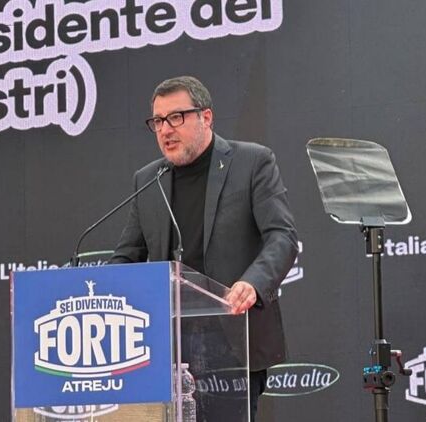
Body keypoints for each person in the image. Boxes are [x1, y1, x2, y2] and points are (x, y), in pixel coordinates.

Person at [109, 76, 298, 421]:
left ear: (206, 117)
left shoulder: (252, 162)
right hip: (165, 349)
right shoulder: (148, 179)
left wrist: (253, 283)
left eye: (176, 117)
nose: (165, 130)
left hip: (233, 340)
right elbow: (128, 255)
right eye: (158, 121)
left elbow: (282, 236)